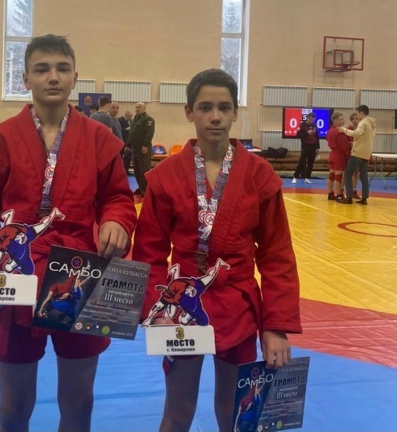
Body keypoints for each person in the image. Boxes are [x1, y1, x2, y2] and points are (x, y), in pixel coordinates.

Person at [0, 34, 136, 432]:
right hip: (15, 275)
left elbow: (118, 198)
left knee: (79, 403)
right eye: (41, 69)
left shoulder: (100, 141)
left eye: (61, 68)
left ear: (75, 77)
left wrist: (116, 221)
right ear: (25, 79)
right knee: (14, 407)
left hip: (80, 274)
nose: (52, 77)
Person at [132, 68, 301, 432]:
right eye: (205, 107)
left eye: (224, 107)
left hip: (238, 304)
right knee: (178, 411)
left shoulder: (259, 175)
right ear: (189, 112)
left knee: (234, 412)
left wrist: (276, 326)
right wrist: (158, 310)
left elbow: (277, 256)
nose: (215, 116)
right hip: (182, 306)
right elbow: (149, 252)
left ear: (235, 112)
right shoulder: (166, 177)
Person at [338, 104, 376, 205]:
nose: (356, 115)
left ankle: (349, 197)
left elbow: (357, 133)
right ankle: (364, 198)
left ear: (361, 113)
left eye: (357, 113)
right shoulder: (371, 124)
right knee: (363, 176)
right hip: (366, 153)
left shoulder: (363, 123)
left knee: (348, 173)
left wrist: (344, 130)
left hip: (358, 152)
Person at [127, 102, 155, 196]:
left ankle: (145, 189)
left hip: (142, 147)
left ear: (144, 109)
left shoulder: (148, 119)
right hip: (134, 148)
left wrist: (145, 145)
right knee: (136, 169)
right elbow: (131, 133)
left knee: (144, 169)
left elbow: (149, 133)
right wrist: (128, 145)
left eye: (139, 107)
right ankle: (140, 187)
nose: (137, 109)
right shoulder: (134, 119)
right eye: (136, 107)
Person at [325, 112, 350, 200]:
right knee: (338, 176)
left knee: (331, 175)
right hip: (339, 155)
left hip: (333, 154)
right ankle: (338, 194)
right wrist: (349, 154)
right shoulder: (339, 131)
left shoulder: (330, 131)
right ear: (335, 120)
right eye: (341, 119)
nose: (343, 121)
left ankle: (330, 193)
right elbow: (344, 146)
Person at [292, 112, 319, 184]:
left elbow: (317, 137)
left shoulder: (314, 125)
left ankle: (307, 177)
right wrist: (307, 133)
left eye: (312, 120)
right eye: (310, 119)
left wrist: (318, 147)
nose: (311, 121)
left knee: (311, 162)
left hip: (313, 146)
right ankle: (295, 177)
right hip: (305, 145)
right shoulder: (302, 125)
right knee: (302, 161)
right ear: (307, 118)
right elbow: (298, 135)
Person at [347, 112, 361, 199]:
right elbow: (345, 142)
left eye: (357, 118)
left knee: (356, 172)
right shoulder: (348, 129)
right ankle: (343, 191)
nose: (355, 120)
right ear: (351, 120)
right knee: (347, 173)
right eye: (353, 119)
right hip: (349, 154)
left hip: (358, 154)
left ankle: (354, 190)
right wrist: (350, 144)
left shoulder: (360, 130)